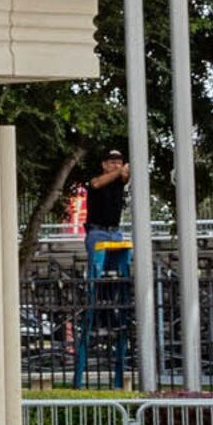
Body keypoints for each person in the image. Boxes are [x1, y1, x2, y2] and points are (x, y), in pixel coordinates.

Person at [72, 148, 134, 389]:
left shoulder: (120, 180)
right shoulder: (97, 181)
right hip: (97, 231)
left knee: (117, 278)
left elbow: (127, 177)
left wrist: (123, 171)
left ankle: (113, 308)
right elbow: (97, 183)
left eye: (118, 161)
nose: (116, 166)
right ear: (104, 163)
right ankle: (97, 309)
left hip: (114, 232)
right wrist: (120, 169)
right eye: (112, 162)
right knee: (98, 278)